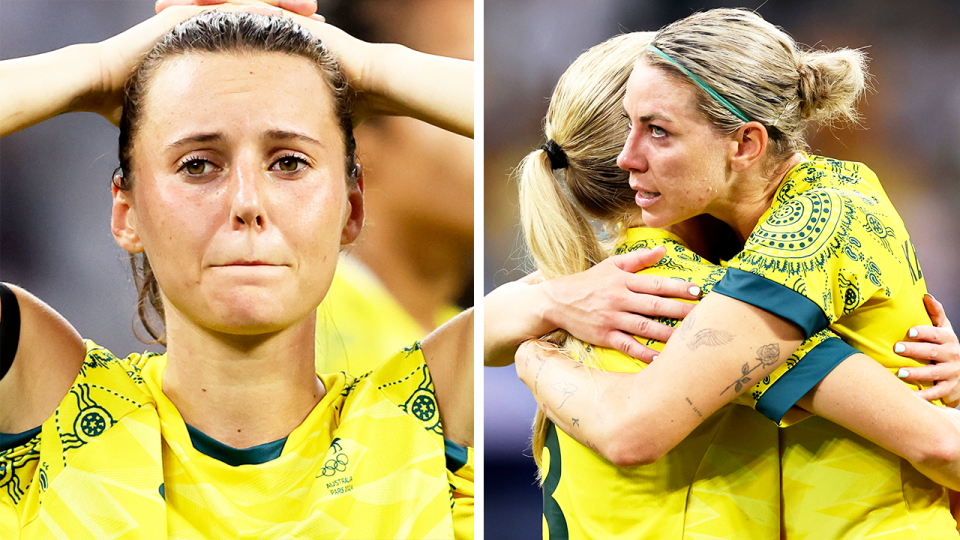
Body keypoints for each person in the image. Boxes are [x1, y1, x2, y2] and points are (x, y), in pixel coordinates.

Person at [0, 6, 472, 539]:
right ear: (126, 212)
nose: (247, 202)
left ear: (352, 209)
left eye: (288, 162)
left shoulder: (426, 425)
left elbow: (573, 153)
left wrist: (372, 68)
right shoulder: (53, 406)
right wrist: (97, 68)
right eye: (198, 164)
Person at [486, 24, 960, 538]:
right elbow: (941, 440)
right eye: (631, 124)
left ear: (743, 143)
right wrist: (535, 340)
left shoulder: (605, 283)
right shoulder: (671, 287)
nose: (631, 152)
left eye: (658, 128)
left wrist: (533, 341)